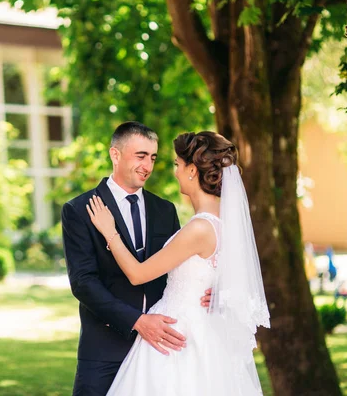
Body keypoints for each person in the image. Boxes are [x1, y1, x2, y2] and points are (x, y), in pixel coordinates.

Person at [87, 131, 270, 395]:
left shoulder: (200, 228)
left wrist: (110, 231)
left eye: (177, 164)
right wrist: (223, 293)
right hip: (205, 332)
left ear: (192, 170)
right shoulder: (226, 222)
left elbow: (139, 274)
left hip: (177, 337)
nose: (175, 171)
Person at [61, 122, 211, 396]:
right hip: (104, 349)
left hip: (161, 349)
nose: (148, 166)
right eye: (140, 156)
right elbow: (83, 283)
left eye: (152, 158)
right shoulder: (79, 210)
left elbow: (180, 267)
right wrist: (137, 321)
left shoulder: (164, 209)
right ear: (115, 155)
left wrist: (212, 291)